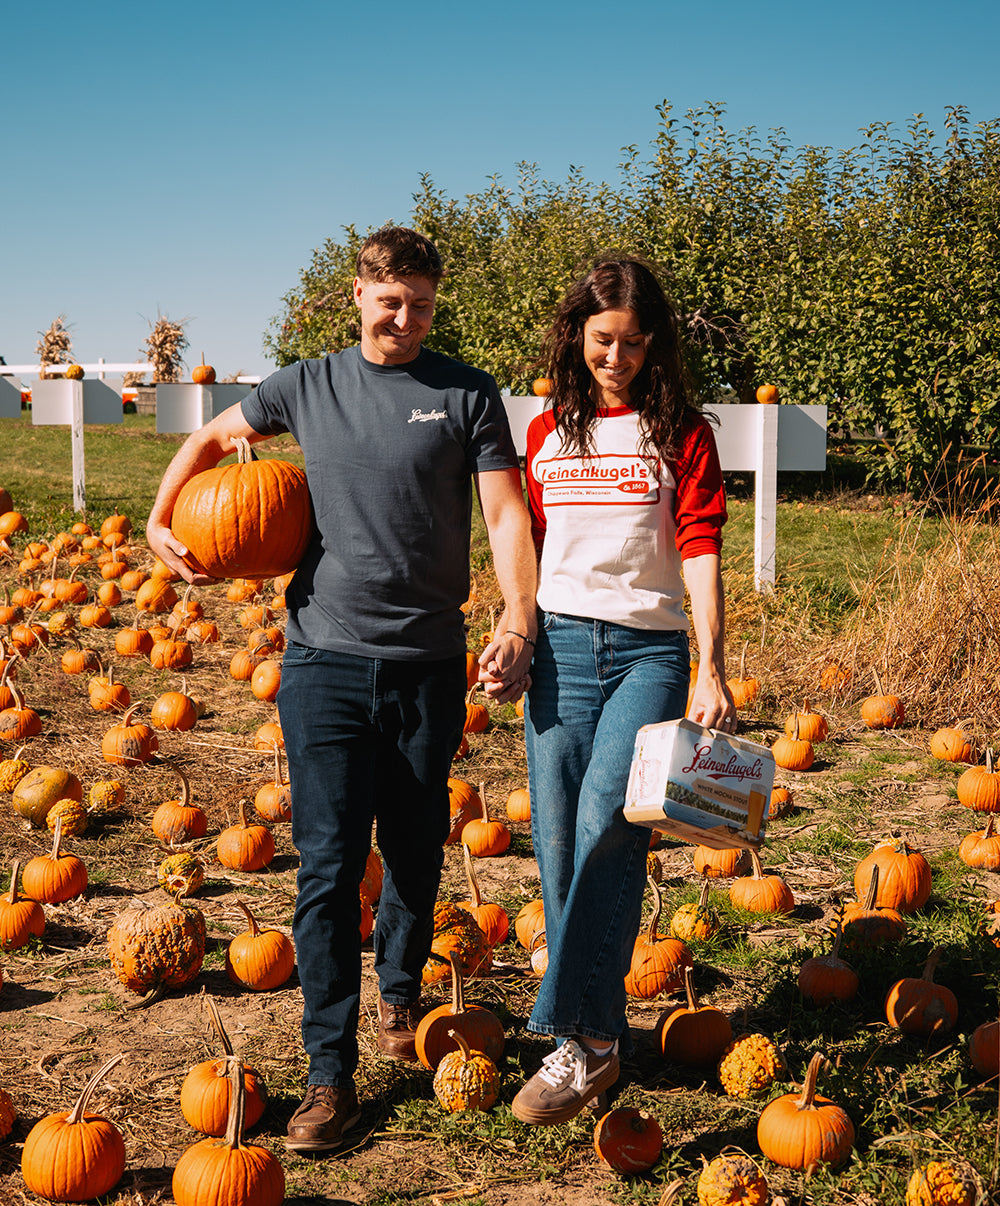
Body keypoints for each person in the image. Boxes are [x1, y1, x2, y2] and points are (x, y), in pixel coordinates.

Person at [146, 226, 536, 1153]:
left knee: (411, 848)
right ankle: (330, 1075)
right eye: (390, 302)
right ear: (358, 294)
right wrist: (165, 515)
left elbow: (504, 510)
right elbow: (210, 435)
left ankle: (397, 994)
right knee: (325, 869)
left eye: (423, 306)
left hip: (429, 662)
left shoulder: (465, 393)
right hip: (322, 662)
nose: (405, 320)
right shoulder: (306, 384)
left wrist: (519, 614)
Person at [510, 254, 735, 1126]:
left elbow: (701, 544)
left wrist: (711, 662)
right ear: (577, 336)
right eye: (603, 340)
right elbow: (523, 546)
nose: (618, 358)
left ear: (655, 344)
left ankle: (580, 1040)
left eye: (634, 343)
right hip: (559, 649)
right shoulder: (544, 431)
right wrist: (512, 631)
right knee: (560, 840)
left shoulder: (680, 429)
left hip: (648, 652)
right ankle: (594, 1045)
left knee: (611, 816)